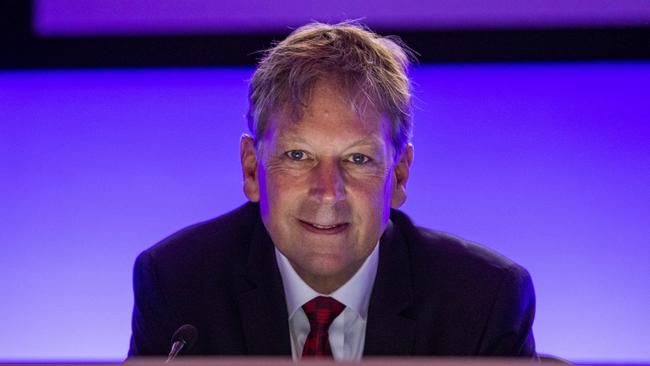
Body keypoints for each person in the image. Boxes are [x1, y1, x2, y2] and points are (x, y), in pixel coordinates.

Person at [128, 21, 536, 360]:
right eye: (298, 155)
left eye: (358, 159)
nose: (328, 192)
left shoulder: (483, 301)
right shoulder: (178, 284)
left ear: (399, 176)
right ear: (252, 169)